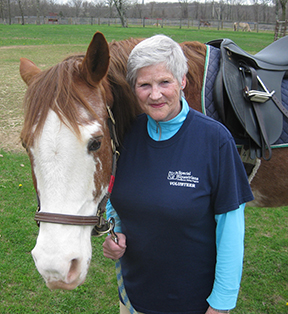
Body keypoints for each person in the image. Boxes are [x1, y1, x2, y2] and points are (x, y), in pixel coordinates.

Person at [103, 34, 254, 314]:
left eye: (165, 82)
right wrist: (116, 234)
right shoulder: (127, 136)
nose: (155, 94)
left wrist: (221, 303)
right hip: (133, 299)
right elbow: (116, 198)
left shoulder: (215, 140)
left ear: (182, 81)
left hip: (191, 304)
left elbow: (231, 228)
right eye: (144, 85)